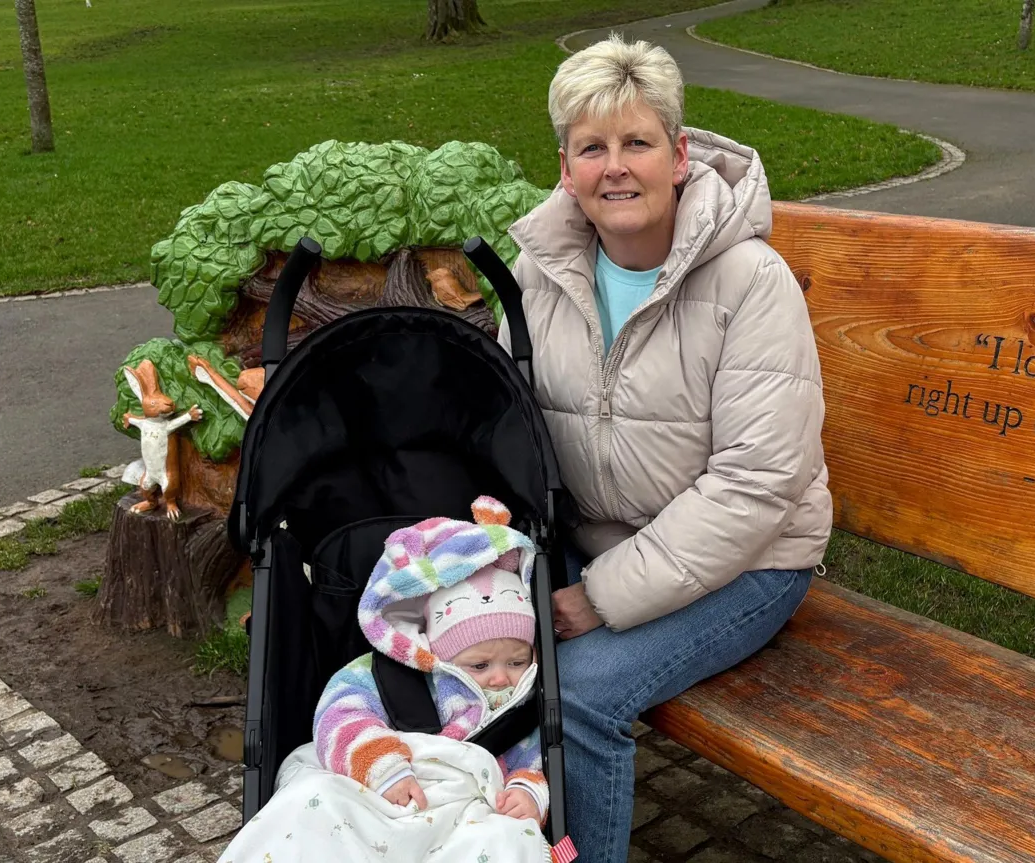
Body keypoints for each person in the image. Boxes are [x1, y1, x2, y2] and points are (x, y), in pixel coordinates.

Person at [502, 32, 833, 862]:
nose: (616, 167)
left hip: (752, 561)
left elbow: (758, 486)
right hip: (597, 542)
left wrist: (596, 597)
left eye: (638, 142)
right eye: (592, 147)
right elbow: (494, 418)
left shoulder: (748, 282)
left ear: (680, 156)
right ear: (567, 168)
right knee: (475, 655)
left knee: (579, 694)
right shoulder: (538, 274)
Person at [214, 496, 552, 863]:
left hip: (463, 809)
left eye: (517, 660)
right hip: (381, 787)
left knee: (507, 836)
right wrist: (381, 765)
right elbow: (339, 716)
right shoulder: (381, 676)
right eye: (480, 666)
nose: (501, 677)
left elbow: (532, 760)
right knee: (316, 796)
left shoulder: (524, 697)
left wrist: (528, 792)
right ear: (438, 651)